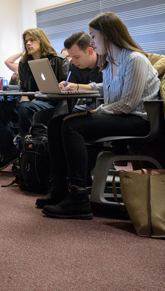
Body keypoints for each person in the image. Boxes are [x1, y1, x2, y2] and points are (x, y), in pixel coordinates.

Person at [42, 12, 160, 219]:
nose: (92, 42)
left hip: (138, 120)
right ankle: (59, 187)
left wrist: (96, 111)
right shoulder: (110, 62)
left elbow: (127, 104)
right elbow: (107, 90)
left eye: (94, 36)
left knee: (72, 125)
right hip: (122, 116)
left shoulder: (135, 60)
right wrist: (78, 87)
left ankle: (78, 197)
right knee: (55, 124)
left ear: (109, 35)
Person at [34, 31, 103, 208]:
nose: (73, 61)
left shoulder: (106, 65)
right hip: (85, 110)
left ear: (90, 50)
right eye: (71, 57)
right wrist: (64, 87)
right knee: (54, 123)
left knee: (68, 125)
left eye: (76, 56)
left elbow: (110, 92)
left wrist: (79, 87)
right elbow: (72, 89)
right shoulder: (75, 66)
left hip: (104, 112)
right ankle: (58, 187)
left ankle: (77, 191)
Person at [0, 28, 68, 172]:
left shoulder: (59, 60)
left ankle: (27, 154)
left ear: (41, 40)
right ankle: (8, 152)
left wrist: (30, 101)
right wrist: (25, 97)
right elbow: (24, 89)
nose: (28, 44)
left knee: (25, 108)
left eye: (32, 40)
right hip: (30, 102)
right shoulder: (24, 64)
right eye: (26, 41)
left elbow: (65, 87)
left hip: (52, 103)